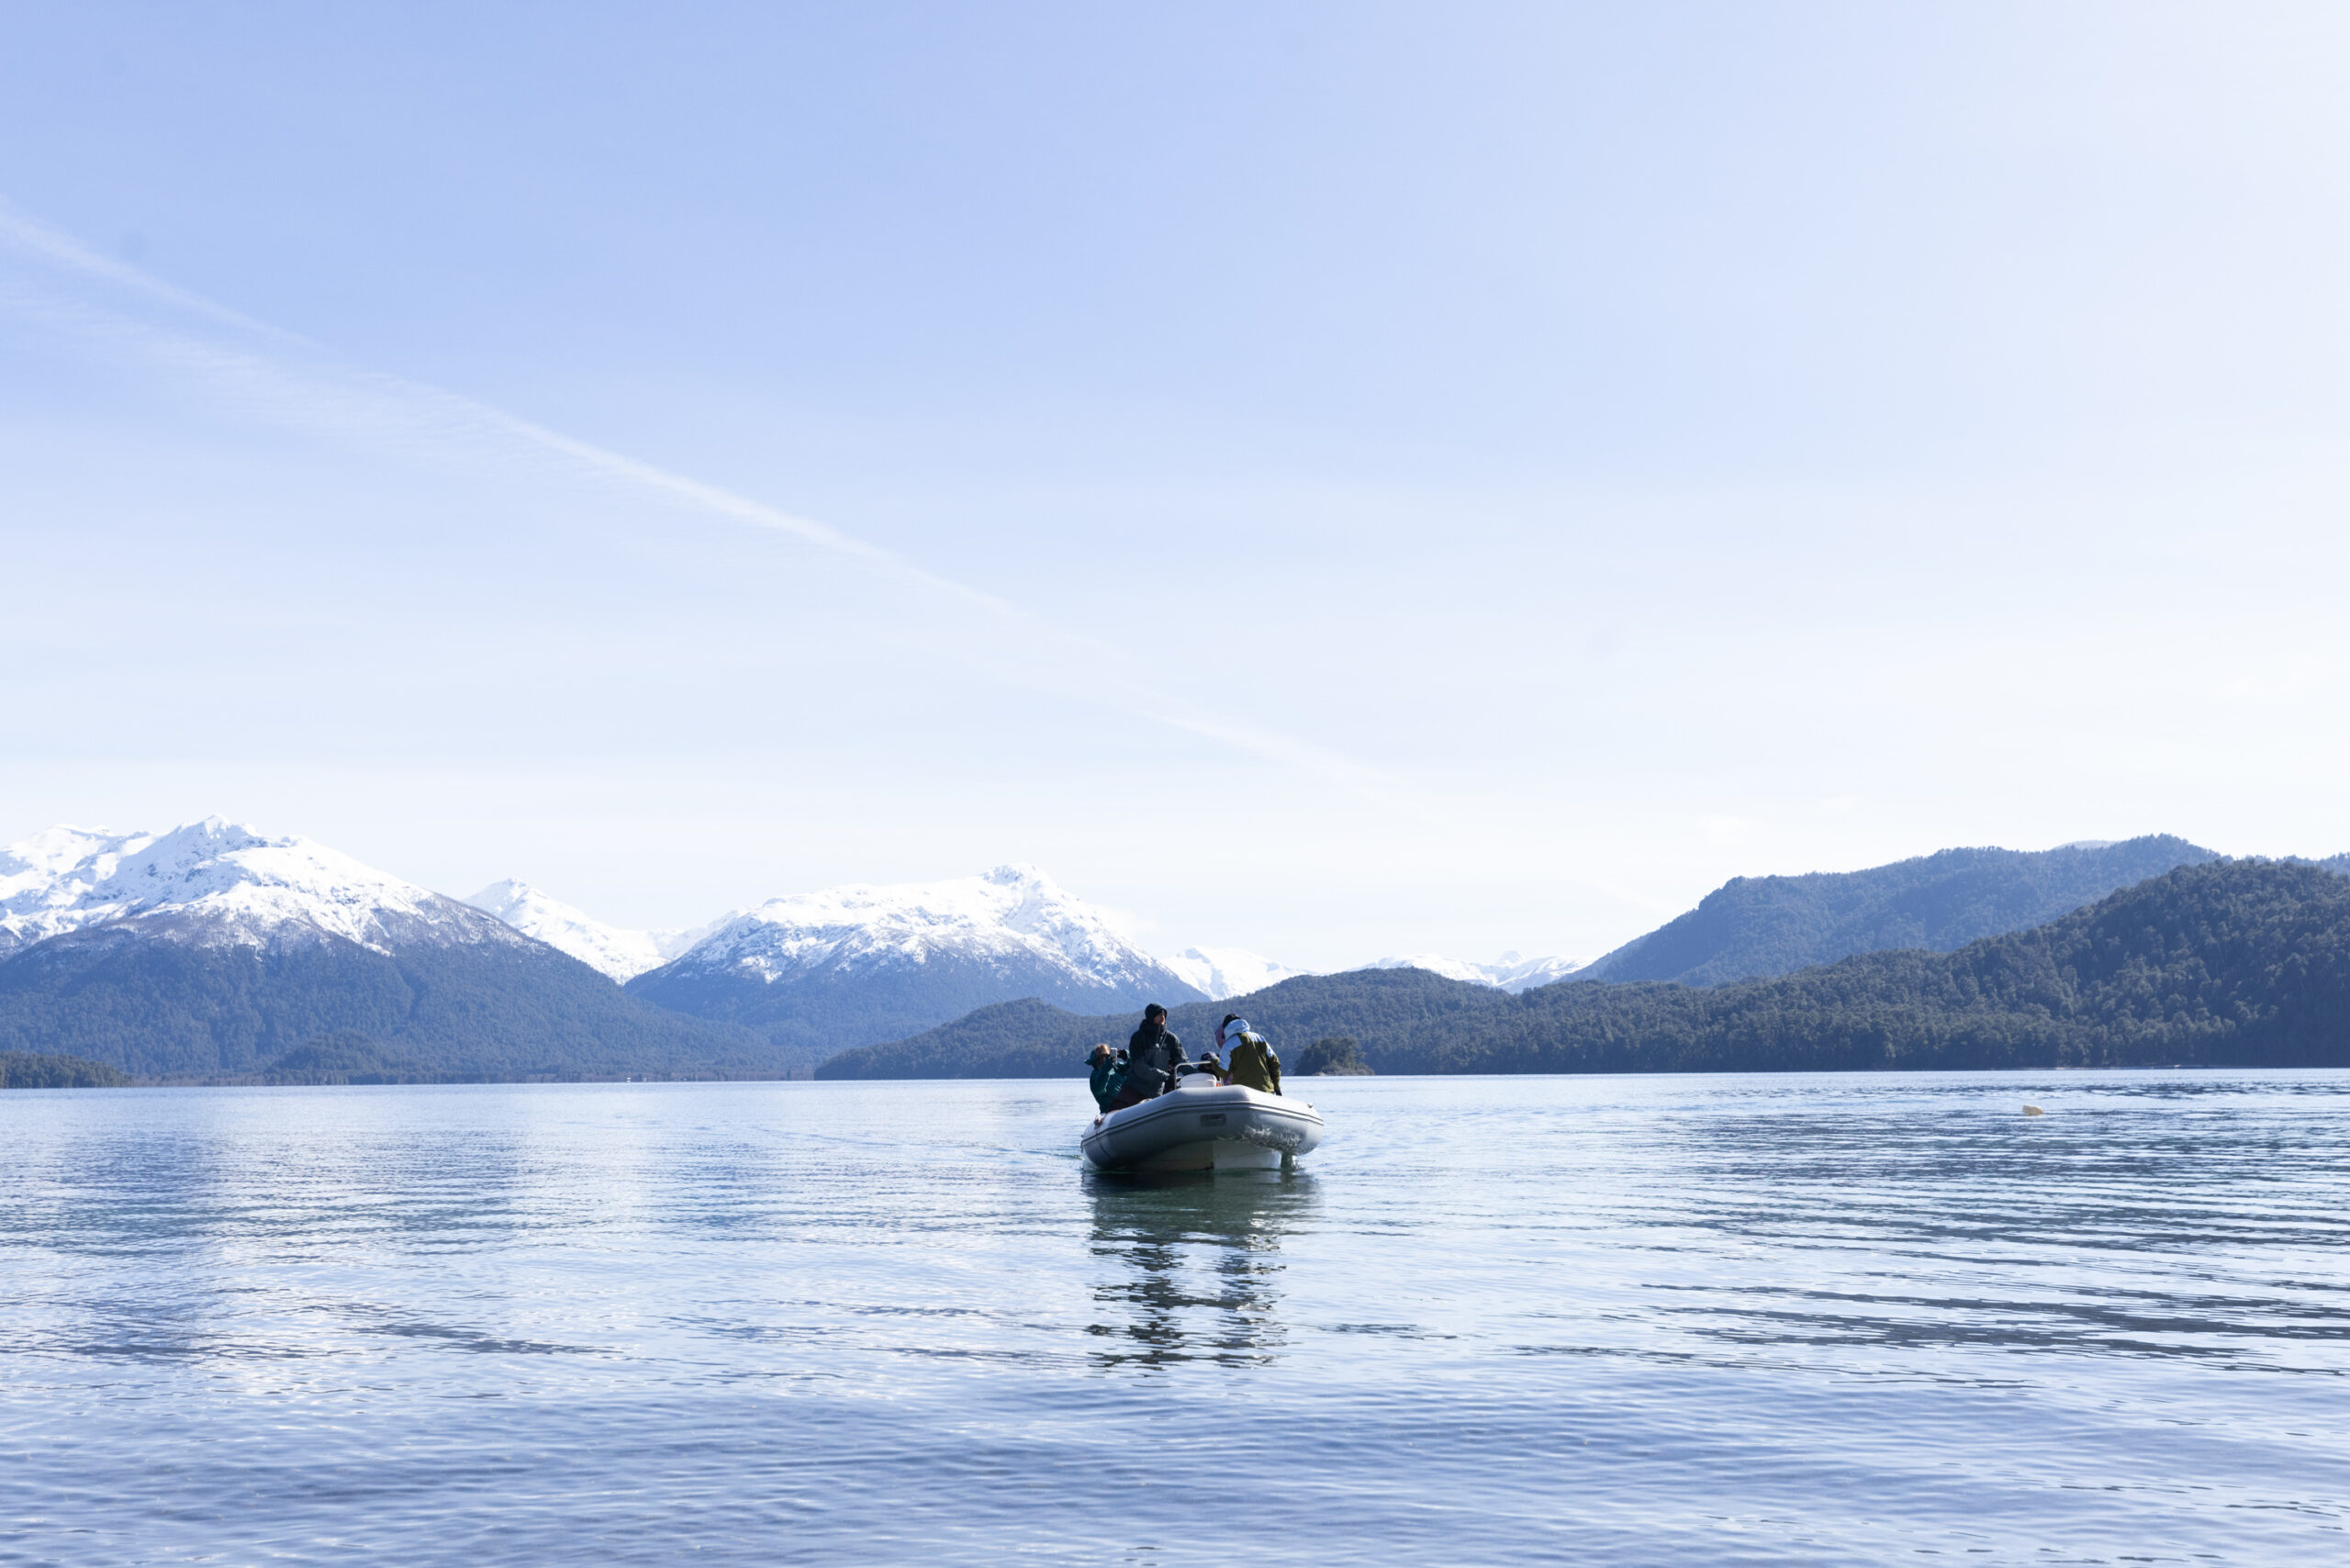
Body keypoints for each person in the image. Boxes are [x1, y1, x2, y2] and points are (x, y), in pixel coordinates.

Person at [1105, 1004, 1183, 1111]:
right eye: (1160, 1015)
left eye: (1164, 1015)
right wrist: (1164, 1075)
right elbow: (1139, 1066)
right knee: (1116, 1111)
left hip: (1156, 1092)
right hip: (1134, 1089)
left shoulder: (1171, 1039)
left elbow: (1182, 1062)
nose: (1163, 1017)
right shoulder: (1138, 1037)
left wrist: (1197, 1074)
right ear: (1151, 1016)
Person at [1217, 1014, 1281, 1096]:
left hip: (1243, 1094)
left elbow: (1223, 1073)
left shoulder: (1228, 1045)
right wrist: (1276, 1086)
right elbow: (1275, 1063)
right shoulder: (1259, 1038)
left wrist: (1214, 1061)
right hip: (1266, 1091)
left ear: (1225, 1028)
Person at [1086, 1043, 1126, 1113]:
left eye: (1107, 1055)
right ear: (1096, 1057)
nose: (1103, 1058)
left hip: (1127, 1107)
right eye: (1101, 1056)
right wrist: (1107, 1068)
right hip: (1109, 1111)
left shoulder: (1118, 1068)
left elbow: (1135, 1067)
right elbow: (1098, 1090)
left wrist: (1125, 1054)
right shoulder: (1095, 1075)